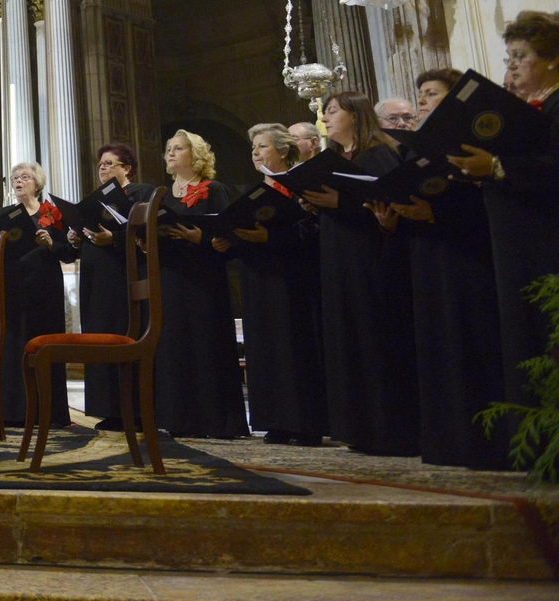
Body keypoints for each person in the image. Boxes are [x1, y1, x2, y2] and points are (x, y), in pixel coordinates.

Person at [391, 69, 505, 468]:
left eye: (431, 93)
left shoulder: (472, 139)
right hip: (426, 254)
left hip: (465, 256)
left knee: (470, 344)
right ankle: (445, 441)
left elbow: (483, 206)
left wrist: (435, 213)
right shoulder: (414, 146)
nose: (421, 100)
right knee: (436, 345)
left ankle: (482, 443)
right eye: (419, 93)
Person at [450, 11, 559, 408]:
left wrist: (496, 166)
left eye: (520, 56)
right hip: (519, 243)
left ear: (552, 59)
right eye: (508, 57)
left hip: (545, 242)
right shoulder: (533, 109)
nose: (511, 66)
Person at [303, 92, 418, 456]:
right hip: (339, 260)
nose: (326, 118)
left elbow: (388, 201)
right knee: (349, 341)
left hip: (372, 260)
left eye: (332, 111)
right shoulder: (337, 159)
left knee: (375, 340)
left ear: (355, 115)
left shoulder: (377, 153)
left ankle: (390, 431)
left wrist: (340, 202)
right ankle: (358, 428)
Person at [209, 124, 326, 446]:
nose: (255, 153)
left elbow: (315, 232)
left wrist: (271, 236)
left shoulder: (301, 187)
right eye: (253, 148)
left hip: (293, 279)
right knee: (265, 349)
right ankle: (274, 420)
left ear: (284, 151)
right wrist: (227, 242)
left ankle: (304, 424)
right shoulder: (251, 192)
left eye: (262, 146)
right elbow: (242, 232)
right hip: (257, 279)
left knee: (295, 349)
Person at [153, 130, 247, 439]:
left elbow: (228, 232)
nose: (171, 153)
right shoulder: (163, 195)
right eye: (169, 148)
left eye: (178, 148)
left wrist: (201, 237)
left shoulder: (213, 189)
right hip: (171, 277)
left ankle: (217, 420)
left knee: (207, 343)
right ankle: (181, 419)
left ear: (196, 155)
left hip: (204, 278)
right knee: (175, 345)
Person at [66, 143, 155, 432]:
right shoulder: (95, 199)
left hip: (121, 276)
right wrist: (76, 237)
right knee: (97, 336)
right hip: (94, 275)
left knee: (120, 334)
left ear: (126, 168)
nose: (102, 168)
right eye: (100, 164)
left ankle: (131, 410)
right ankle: (106, 409)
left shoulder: (140, 192)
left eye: (109, 163)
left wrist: (113, 239)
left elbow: (141, 232)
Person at [0, 161, 73, 427]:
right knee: (14, 343)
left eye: (25, 176)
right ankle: (13, 411)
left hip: (46, 287)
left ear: (37, 183)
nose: (19, 181)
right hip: (13, 285)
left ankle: (50, 411)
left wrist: (51, 243)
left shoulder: (54, 214)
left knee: (46, 344)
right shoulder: (3, 215)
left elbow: (70, 252)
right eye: (14, 177)